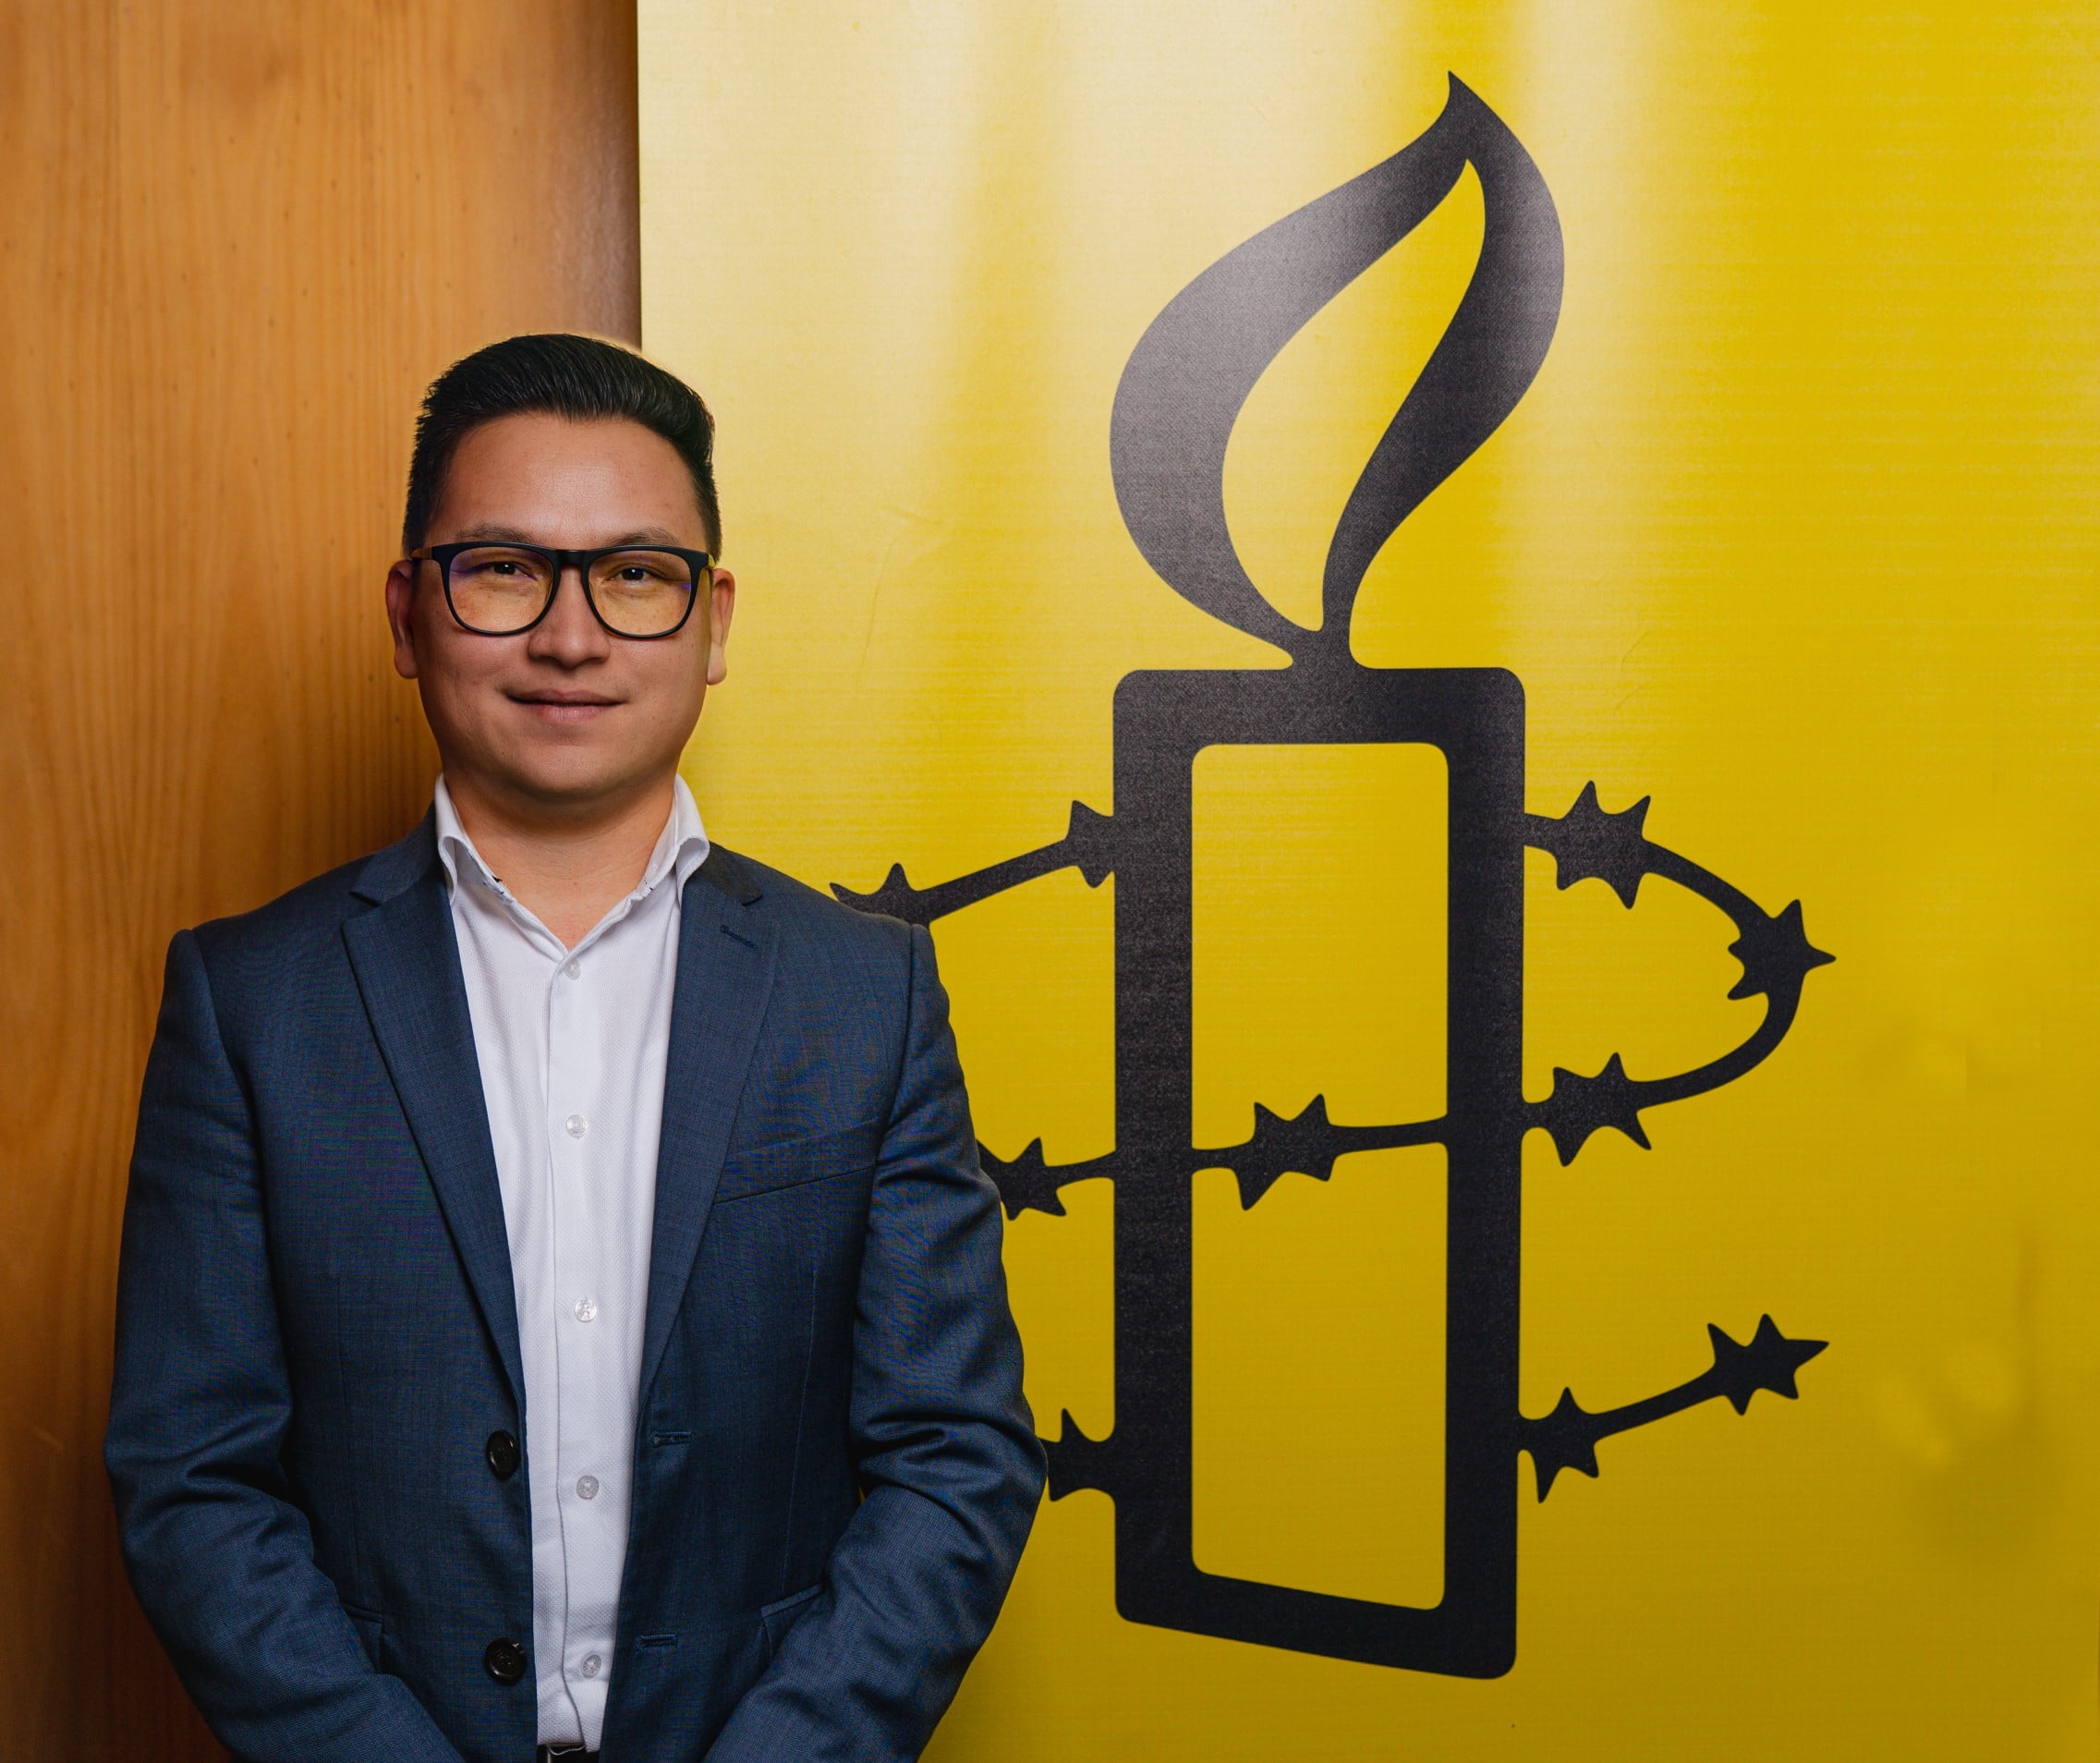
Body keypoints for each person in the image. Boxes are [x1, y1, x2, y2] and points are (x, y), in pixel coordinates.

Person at [105, 334, 1044, 1763]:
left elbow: (955, 1458)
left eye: (634, 574)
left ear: (711, 621)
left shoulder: (865, 992)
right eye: (501, 569)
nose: (571, 634)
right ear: (409, 613)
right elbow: (192, 1481)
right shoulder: (251, 1002)